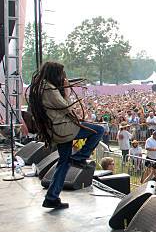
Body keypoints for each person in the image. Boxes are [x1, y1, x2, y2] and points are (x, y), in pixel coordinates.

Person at [28, 62, 105, 209]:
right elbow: (66, 108)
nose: (63, 76)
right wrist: (67, 94)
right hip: (64, 129)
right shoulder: (50, 90)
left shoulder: (41, 87)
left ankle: (52, 197)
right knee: (98, 131)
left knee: (63, 163)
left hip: (56, 129)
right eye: (62, 73)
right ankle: (79, 158)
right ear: (54, 73)